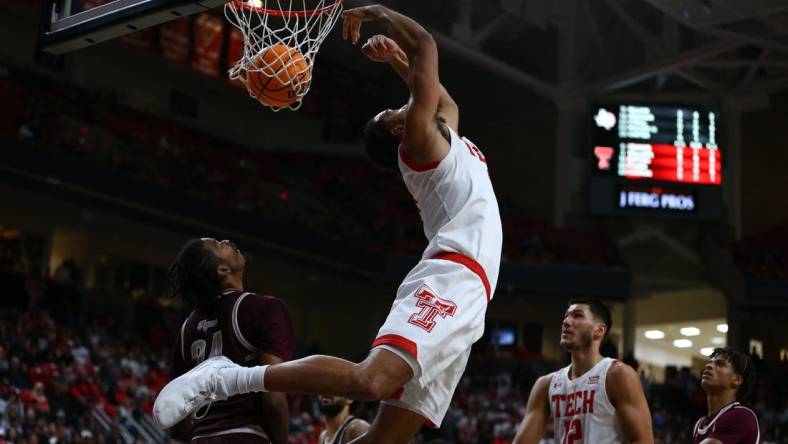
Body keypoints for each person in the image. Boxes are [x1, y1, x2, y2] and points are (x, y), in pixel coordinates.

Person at [153, 4, 502, 443]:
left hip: (473, 294)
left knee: (382, 440)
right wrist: (377, 11)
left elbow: (445, 100)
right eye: (395, 111)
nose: (405, 105)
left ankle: (339, 437)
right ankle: (227, 378)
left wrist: (396, 58)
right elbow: (427, 47)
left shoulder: (447, 134)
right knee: (370, 381)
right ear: (399, 132)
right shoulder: (420, 142)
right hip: (451, 275)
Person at [164, 238, 295, 444]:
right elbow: (273, 398)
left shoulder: (187, 327)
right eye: (218, 244)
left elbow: (174, 416)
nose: (226, 241)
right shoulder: (263, 308)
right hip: (245, 434)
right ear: (222, 270)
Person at [513, 299, 654, 444]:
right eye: (566, 316)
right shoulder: (546, 385)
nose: (566, 321)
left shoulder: (617, 375)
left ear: (599, 330)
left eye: (577, 316)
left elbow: (644, 440)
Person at [691, 347, 759, 444]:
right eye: (710, 362)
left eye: (719, 364)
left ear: (737, 380)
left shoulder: (741, 415)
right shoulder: (700, 424)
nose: (709, 366)